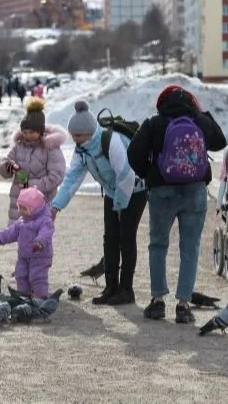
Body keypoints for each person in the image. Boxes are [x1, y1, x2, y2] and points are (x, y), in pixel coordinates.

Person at [127, 85, 226, 323]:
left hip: (162, 192)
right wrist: (202, 114)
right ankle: (183, 305)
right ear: (192, 103)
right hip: (195, 191)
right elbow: (220, 142)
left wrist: (150, 175)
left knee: (158, 245)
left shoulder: (153, 123)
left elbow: (133, 154)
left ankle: (158, 301)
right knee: (189, 249)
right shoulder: (199, 121)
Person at [51, 100, 147, 306]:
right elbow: (72, 178)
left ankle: (126, 290)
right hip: (113, 192)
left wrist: (121, 205)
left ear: (89, 131)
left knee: (126, 238)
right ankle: (110, 287)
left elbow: (126, 175)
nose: (75, 140)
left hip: (134, 191)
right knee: (110, 238)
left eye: (78, 136)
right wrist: (56, 206)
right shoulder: (82, 149)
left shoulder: (110, 141)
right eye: (73, 136)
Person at [0, 97, 67, 225]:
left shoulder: (50, 148)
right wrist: (8, 167)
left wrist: (32, 187)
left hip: (42, 202)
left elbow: (57, 175)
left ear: (40, 131)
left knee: (39, 239)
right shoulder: (19, 147)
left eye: (32, 132)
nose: (27, 135)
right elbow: (3, 165)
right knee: (21, 238)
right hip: (19, 204)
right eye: (25, 132)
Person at [0, 187, 55, 299]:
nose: (20, 211)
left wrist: (39, 243)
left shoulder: (45, 221)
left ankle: (40, 297)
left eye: (24, 208)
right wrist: (0, 237)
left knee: (37, 277)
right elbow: (11, 232)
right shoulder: (21, 222)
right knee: (20, 275)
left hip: (40, 257)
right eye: (19, 207)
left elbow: (45, 234)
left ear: (35, 208)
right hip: (23, 256)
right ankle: (23, 296)